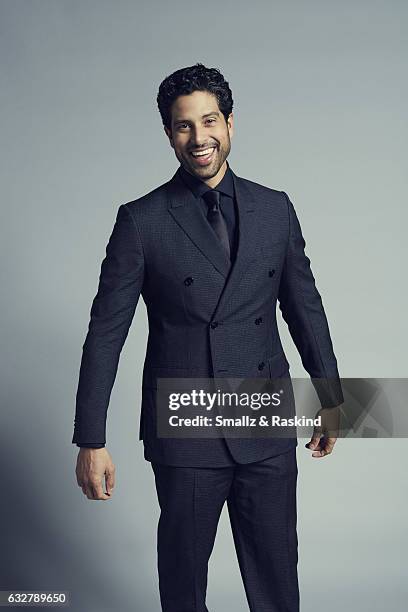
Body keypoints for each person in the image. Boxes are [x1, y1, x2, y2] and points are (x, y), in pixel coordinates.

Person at [73, 62, 344, 612]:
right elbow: (106, 333)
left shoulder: (276, 209)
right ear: (169, 133)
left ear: (230, 124)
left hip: (264, 419)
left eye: (209, 121)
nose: (199, 138)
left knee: (277, 585)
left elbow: (305, 308)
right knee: (183, 586)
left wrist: (330, 399)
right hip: (187, 429)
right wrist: (90, 439)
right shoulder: (141, 221)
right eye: (183, 126)